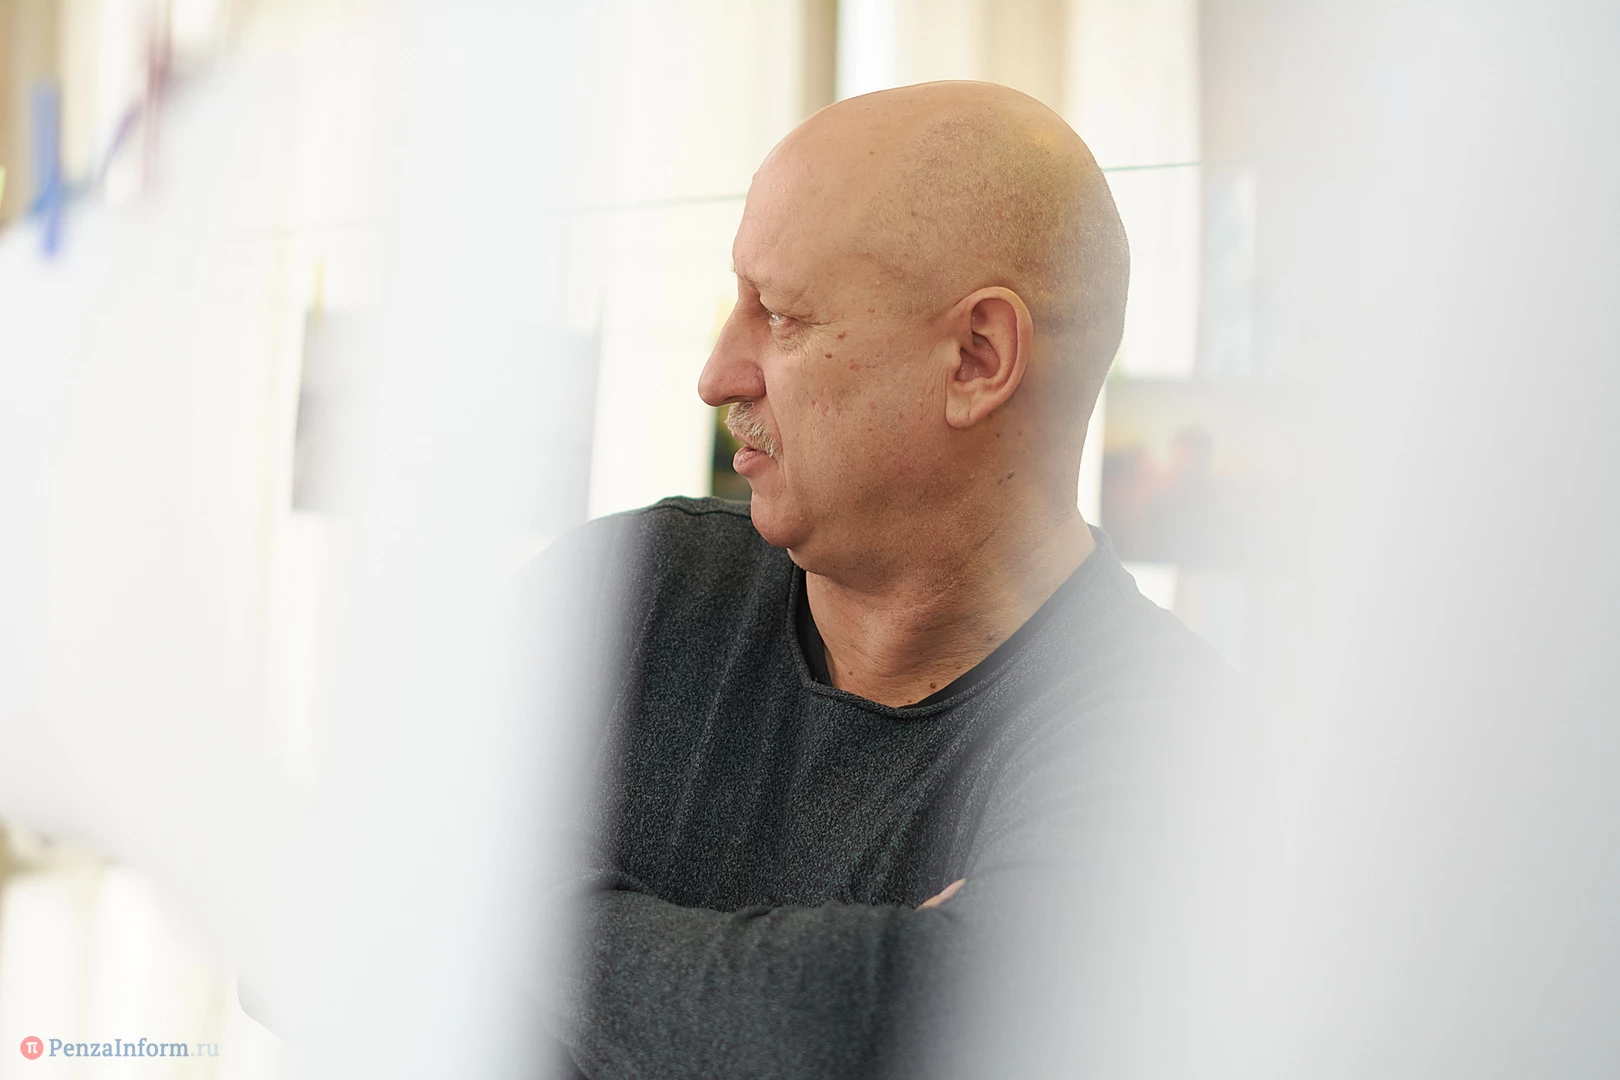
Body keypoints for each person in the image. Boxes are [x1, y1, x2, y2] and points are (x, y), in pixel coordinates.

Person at [525, 81, 1266, 1080]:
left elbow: (878, 1035)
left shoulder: (1174, 745)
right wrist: (865, 978)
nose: (718, 374)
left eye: (780, 315)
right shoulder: (626, 592)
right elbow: (360, 893)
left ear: (976, 357)